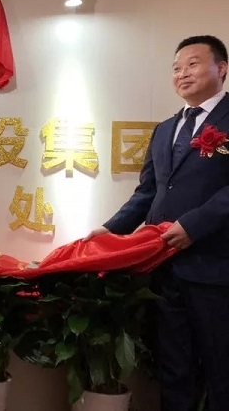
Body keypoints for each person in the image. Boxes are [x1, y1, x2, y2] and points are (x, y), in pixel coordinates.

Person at [86, 35, 229, 411]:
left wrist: (194, 225)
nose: (183, 73)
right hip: (163, 269)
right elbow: (148, 192)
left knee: (222, 371)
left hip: (216, 269)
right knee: (174, 368)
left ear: (222, 68)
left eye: (193, 64)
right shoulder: (165, 129)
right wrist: (111, 229)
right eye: (176, 68)